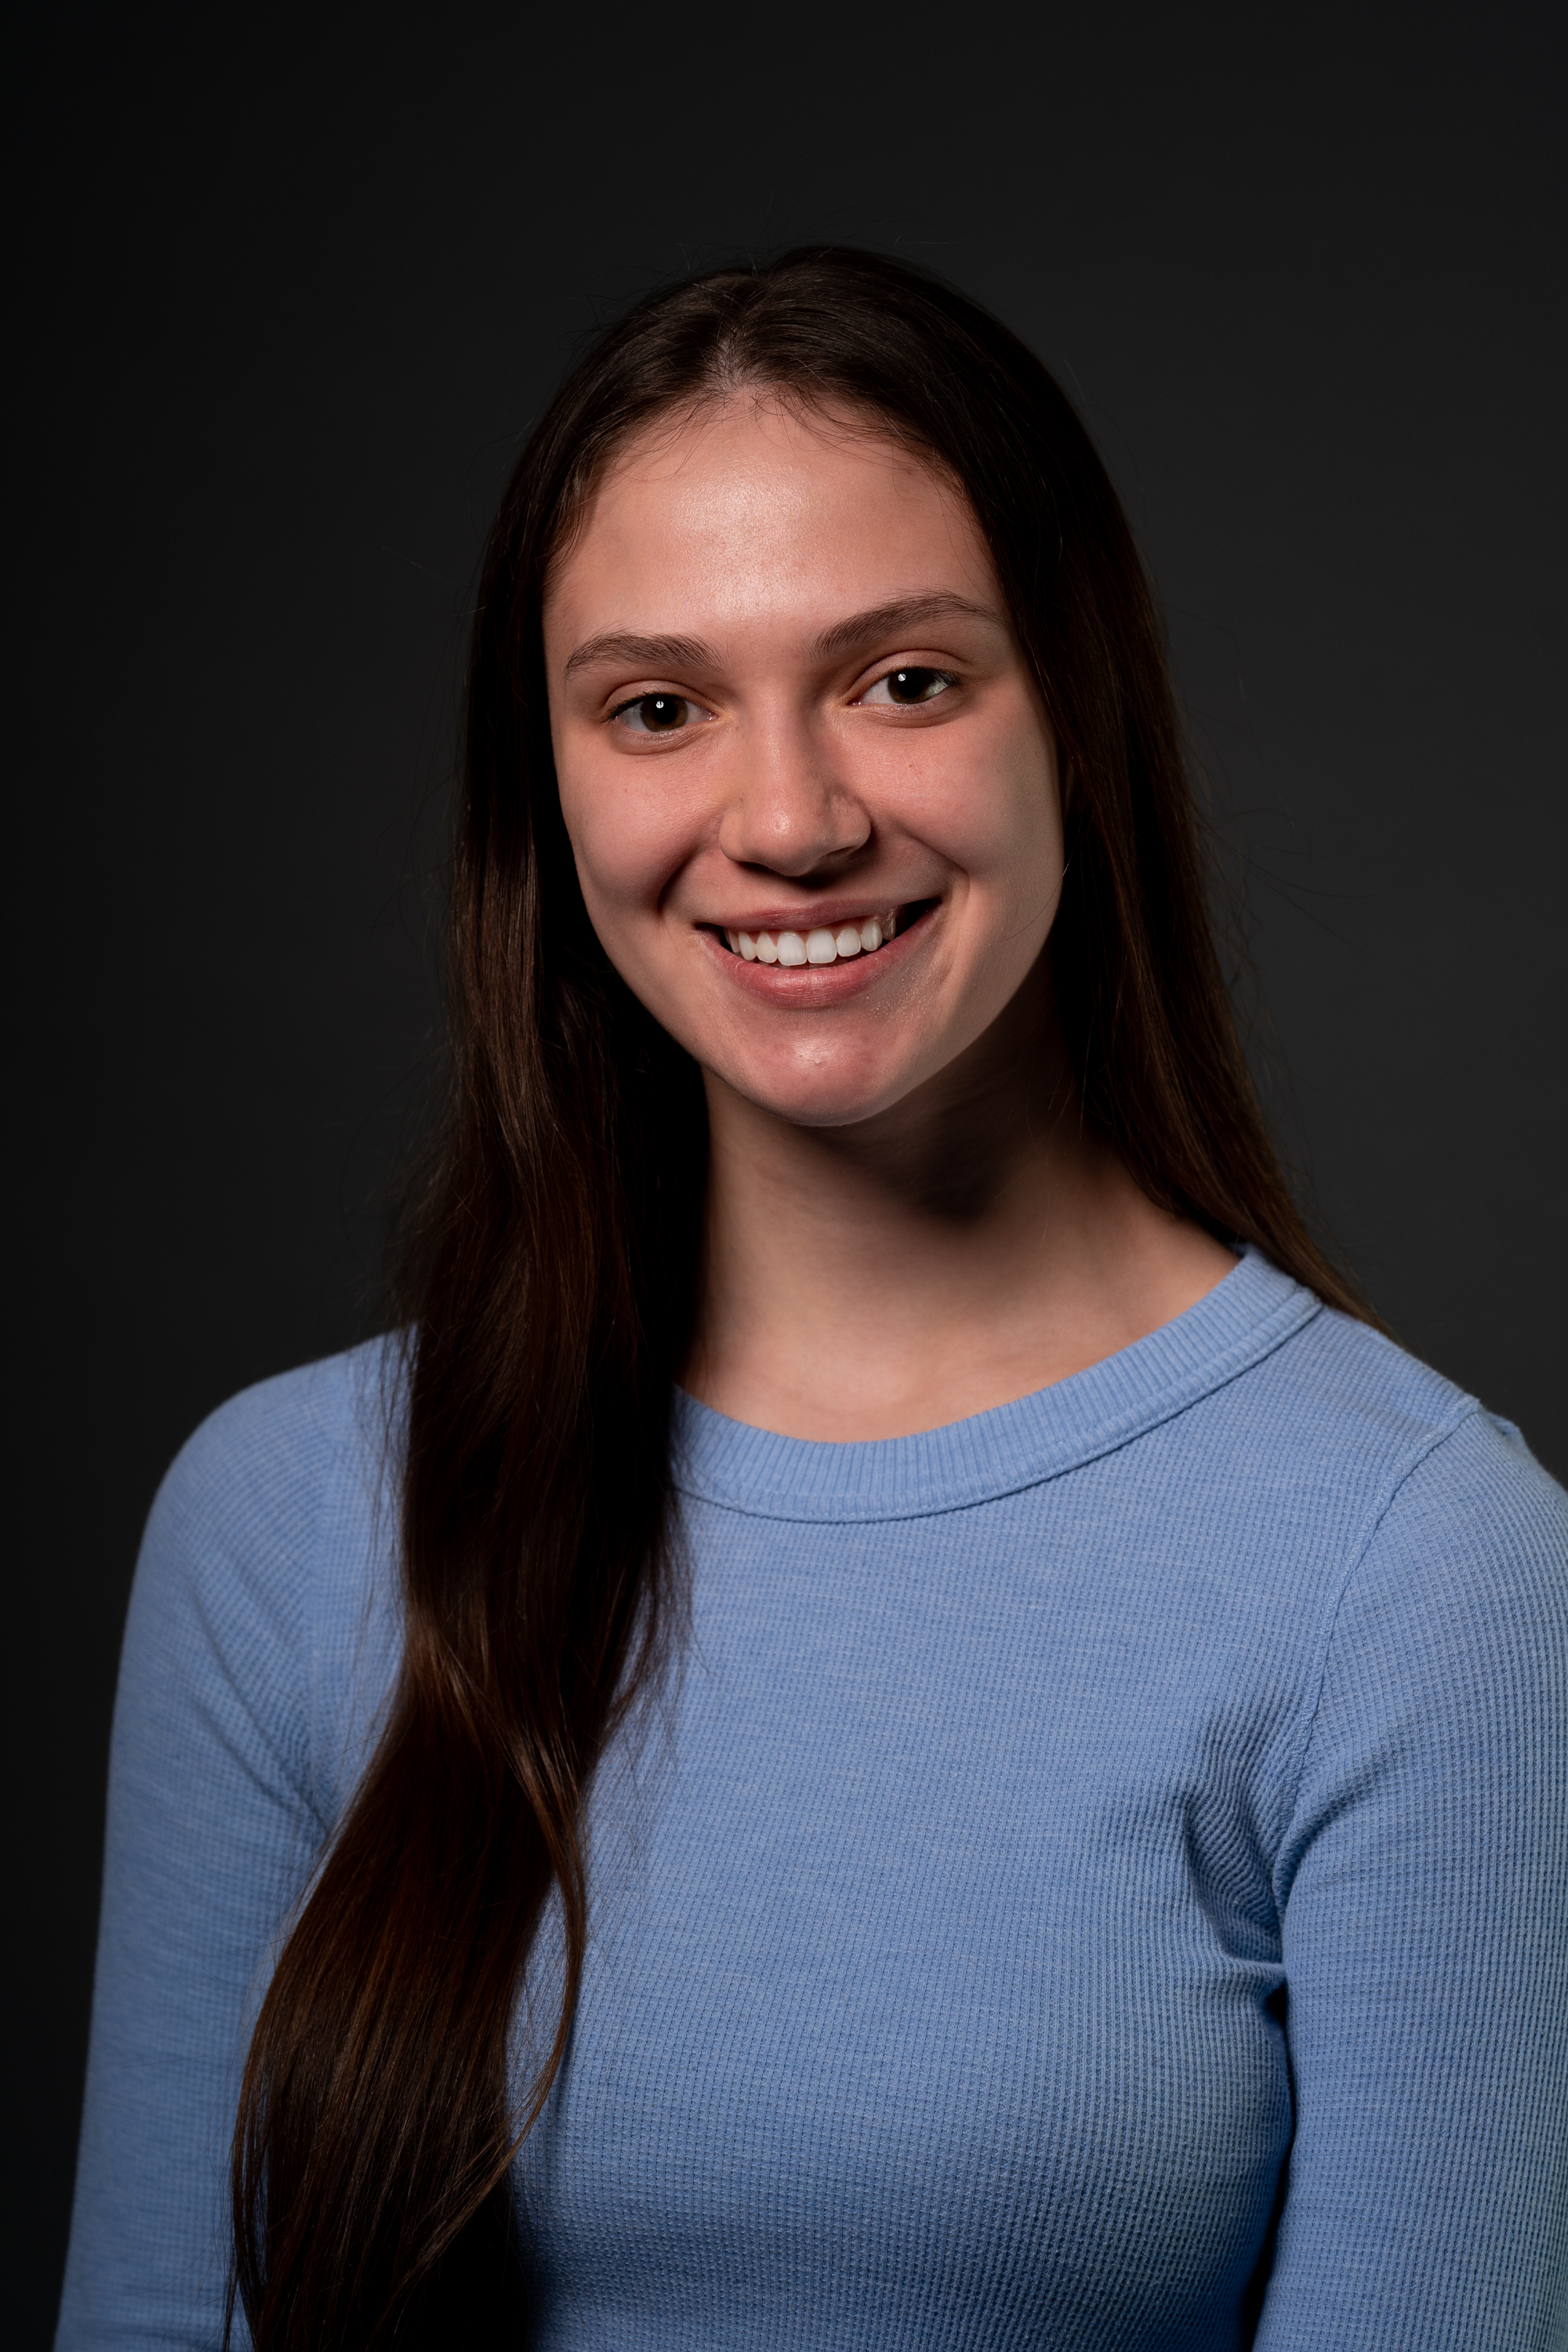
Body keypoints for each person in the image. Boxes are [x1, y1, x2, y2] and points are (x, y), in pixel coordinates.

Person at [56, 249, 1567, 2352]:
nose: (789, 822)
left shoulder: (1422, 1567)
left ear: (1083, 712)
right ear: (553, 784)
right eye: (658, 707)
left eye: (906, 681)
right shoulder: (289, 1521)